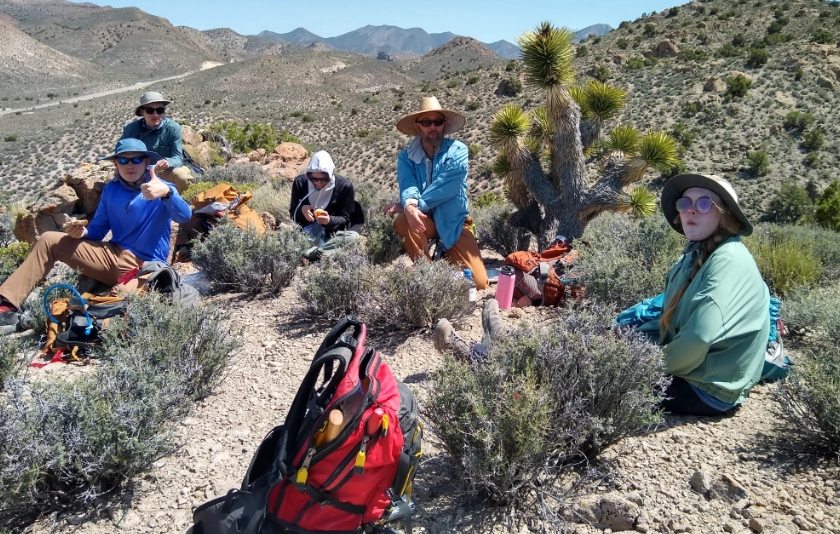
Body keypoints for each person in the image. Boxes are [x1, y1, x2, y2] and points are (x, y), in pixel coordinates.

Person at [0, 138, 192, 334]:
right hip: (112, 255)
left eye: (136, 160)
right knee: (49, 240)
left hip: (145, 265)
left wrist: (167, 193)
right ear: (116, 163)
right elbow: (99, 229)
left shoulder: (162, 187)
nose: (130, 165)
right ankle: (6, 307)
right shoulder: (111, 189)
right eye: (123, 161)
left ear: (146, 162)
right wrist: (83, 232)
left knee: (124, 308)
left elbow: (184, 215)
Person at [632, 173, 769, 416]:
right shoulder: (692, 257)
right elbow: (673, 320)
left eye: (704, 204)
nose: (691, 211)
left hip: (707, 388)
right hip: (693, 372)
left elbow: (699, 337)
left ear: (725, 214)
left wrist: (645, 366)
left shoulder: (728, 260)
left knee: (602, 380)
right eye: (685, 203)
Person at [384, 96, 488, 289]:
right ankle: (427, 274)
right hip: (425, 221)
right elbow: (408, 184)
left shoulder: (458, 150)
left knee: (479, 283)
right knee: (404, 220)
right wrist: (409, 205)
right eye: (426, 122)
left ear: (444, 124)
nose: (432, 127)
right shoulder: (406, 157)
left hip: (454, 223)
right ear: (418, 126)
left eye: (437, 122)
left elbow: (447, 185)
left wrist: (411, 205)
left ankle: (446, 256)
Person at [290, 150, 360, 261]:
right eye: (314, 179)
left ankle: (312, 253)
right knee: (281, 238)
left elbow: (345, 219)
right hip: (305, 235)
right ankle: (317, 254)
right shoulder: (300, 183)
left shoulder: (344, 187)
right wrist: (302, 210)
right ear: (309, 175)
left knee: (353, 237)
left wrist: (329, 221)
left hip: (330, 236)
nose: (319, 183)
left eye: (324, 179)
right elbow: (293, 214)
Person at [121, 91, 192, 193]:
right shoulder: (131, 129)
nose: (155, 114)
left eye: (159, 110)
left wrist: (168, 162)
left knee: (183, 177)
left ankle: (181, 205)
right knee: (115, 180)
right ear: (142, 112)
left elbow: (178, 158)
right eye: (150, 110)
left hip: (164, 171)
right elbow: (121, 153)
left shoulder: (173, 128)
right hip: (139, 171)